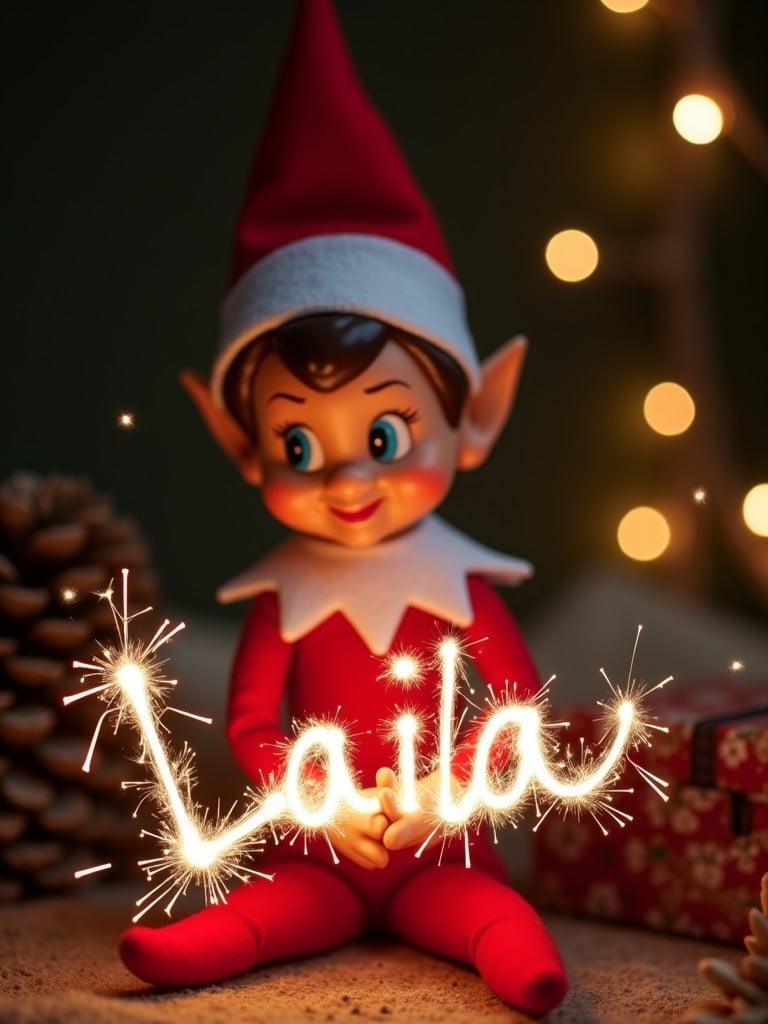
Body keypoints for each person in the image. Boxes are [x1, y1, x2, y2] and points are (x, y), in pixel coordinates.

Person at [119, 1, 568, 1014]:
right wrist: (315, 799)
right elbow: (249, 716)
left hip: (438, 846)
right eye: (295, 443)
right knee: (264, 915)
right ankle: (198, 944)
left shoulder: (459, 589)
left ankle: (519, 955)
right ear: (241, 445)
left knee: (490, 920)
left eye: (384, 436)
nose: (346, 480)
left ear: (477, 417)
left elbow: (514, 707)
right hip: (314, 851)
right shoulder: (288, 596)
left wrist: (436, 793)